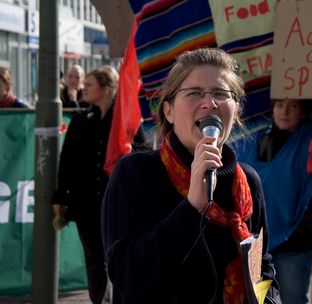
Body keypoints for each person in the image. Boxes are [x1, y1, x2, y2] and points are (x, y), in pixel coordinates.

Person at [101, 48, 279, 304]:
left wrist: (270, 300)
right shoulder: (135, 173)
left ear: (236, 110)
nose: (210, 103)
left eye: (220, 93)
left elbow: (263, 267)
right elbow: (127, 275)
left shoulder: (247, 182)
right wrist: (192, 207)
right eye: (195, 93)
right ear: (169, 111)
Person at [241, 99, 312, 304]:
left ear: (303, 112)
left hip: (294, 243)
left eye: (293, 106)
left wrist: (301, 230)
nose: (284, 111)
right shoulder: (260, 141)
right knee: (260, 299)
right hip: (260, 242)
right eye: (279, 105)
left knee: (291, 299)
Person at [52, 65, 131, 304]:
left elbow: (140, 155)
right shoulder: (80, 121)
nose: (84, 88)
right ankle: (100, 301)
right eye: (84, 84)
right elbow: (66, 162)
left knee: (117, 257)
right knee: (94, 259)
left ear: (106, 89)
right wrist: (60, 197)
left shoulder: (125, 120)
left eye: (90, 85)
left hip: (118, 202)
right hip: (85, 203)